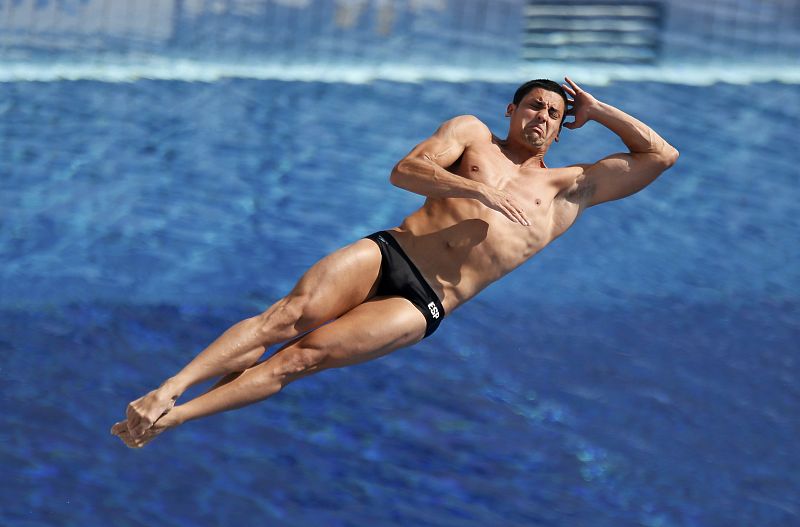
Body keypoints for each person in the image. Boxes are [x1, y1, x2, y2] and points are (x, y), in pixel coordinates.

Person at [111, 77, 678, 448]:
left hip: (424, 299)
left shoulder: (569, 188)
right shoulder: (471, 134)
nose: (542, 118)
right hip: (389, 251)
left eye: (554, 114)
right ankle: (167, 388)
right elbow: (404, 171)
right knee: (284, 316)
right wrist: (475, 191)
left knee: (298, 361)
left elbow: (660, 155)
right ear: (512, 109)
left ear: (561, 125)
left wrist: (599, 111)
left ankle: (170, 421)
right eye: (534, 106)